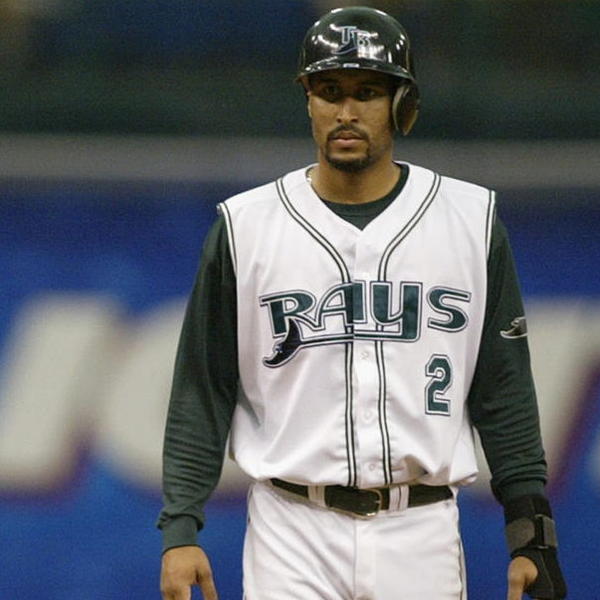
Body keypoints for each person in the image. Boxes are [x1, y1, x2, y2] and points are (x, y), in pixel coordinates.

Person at [157, 6, 566, 600]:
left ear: (402, 104)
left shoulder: (469, 221)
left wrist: (532, 535)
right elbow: (203, 388)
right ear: (308, 101)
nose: (345, 112)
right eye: (329, 91)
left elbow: (503, 391)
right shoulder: (246, 226)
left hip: (419, 529)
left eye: (367, 92)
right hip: (290, 529)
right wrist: (180, 529)